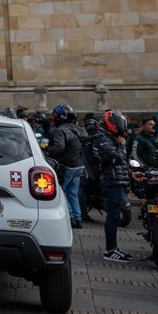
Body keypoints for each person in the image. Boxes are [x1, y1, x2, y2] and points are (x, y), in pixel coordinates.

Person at [90, 109, 132, 262]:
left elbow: (121, 162)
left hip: (117, 180)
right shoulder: (102, 138)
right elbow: (116, 158)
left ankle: (113, 248)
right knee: (113, 216)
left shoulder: (109, 137)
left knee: (114, 215)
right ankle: (110, 250)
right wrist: (122, 145)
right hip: (111, 181)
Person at [48, 104, 85, 228]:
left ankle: (70, 217)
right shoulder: (78, 129)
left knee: (62, 192)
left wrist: (48, 150)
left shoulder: (60, 130)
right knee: (73, 193)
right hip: (79, 166)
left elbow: (59, 147)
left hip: (66, 166)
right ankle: (78, 218)